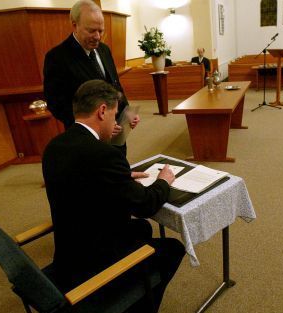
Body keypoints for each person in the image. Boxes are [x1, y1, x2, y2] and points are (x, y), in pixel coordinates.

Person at [42, 79, 185, 312]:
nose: (116, 121)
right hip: (93, 261)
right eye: (115, 114)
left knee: (142, 229)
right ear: (101, 111)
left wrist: (121, 177)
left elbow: (81, 180)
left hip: (69, 249)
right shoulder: (104, 153)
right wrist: (163, 181)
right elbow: (145, 206)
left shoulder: (55, 146)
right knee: (172, 249)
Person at [43, 0, 139, 143]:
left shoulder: (104, 50)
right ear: (75, 25)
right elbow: (56, 104)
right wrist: (95, 126)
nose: (98, 37)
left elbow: (114, 86)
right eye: (91, 31)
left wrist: (127, 112)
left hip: (116, 134)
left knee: (118, 163)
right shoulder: (57, 57)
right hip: (87, 140)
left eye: (101, 31)